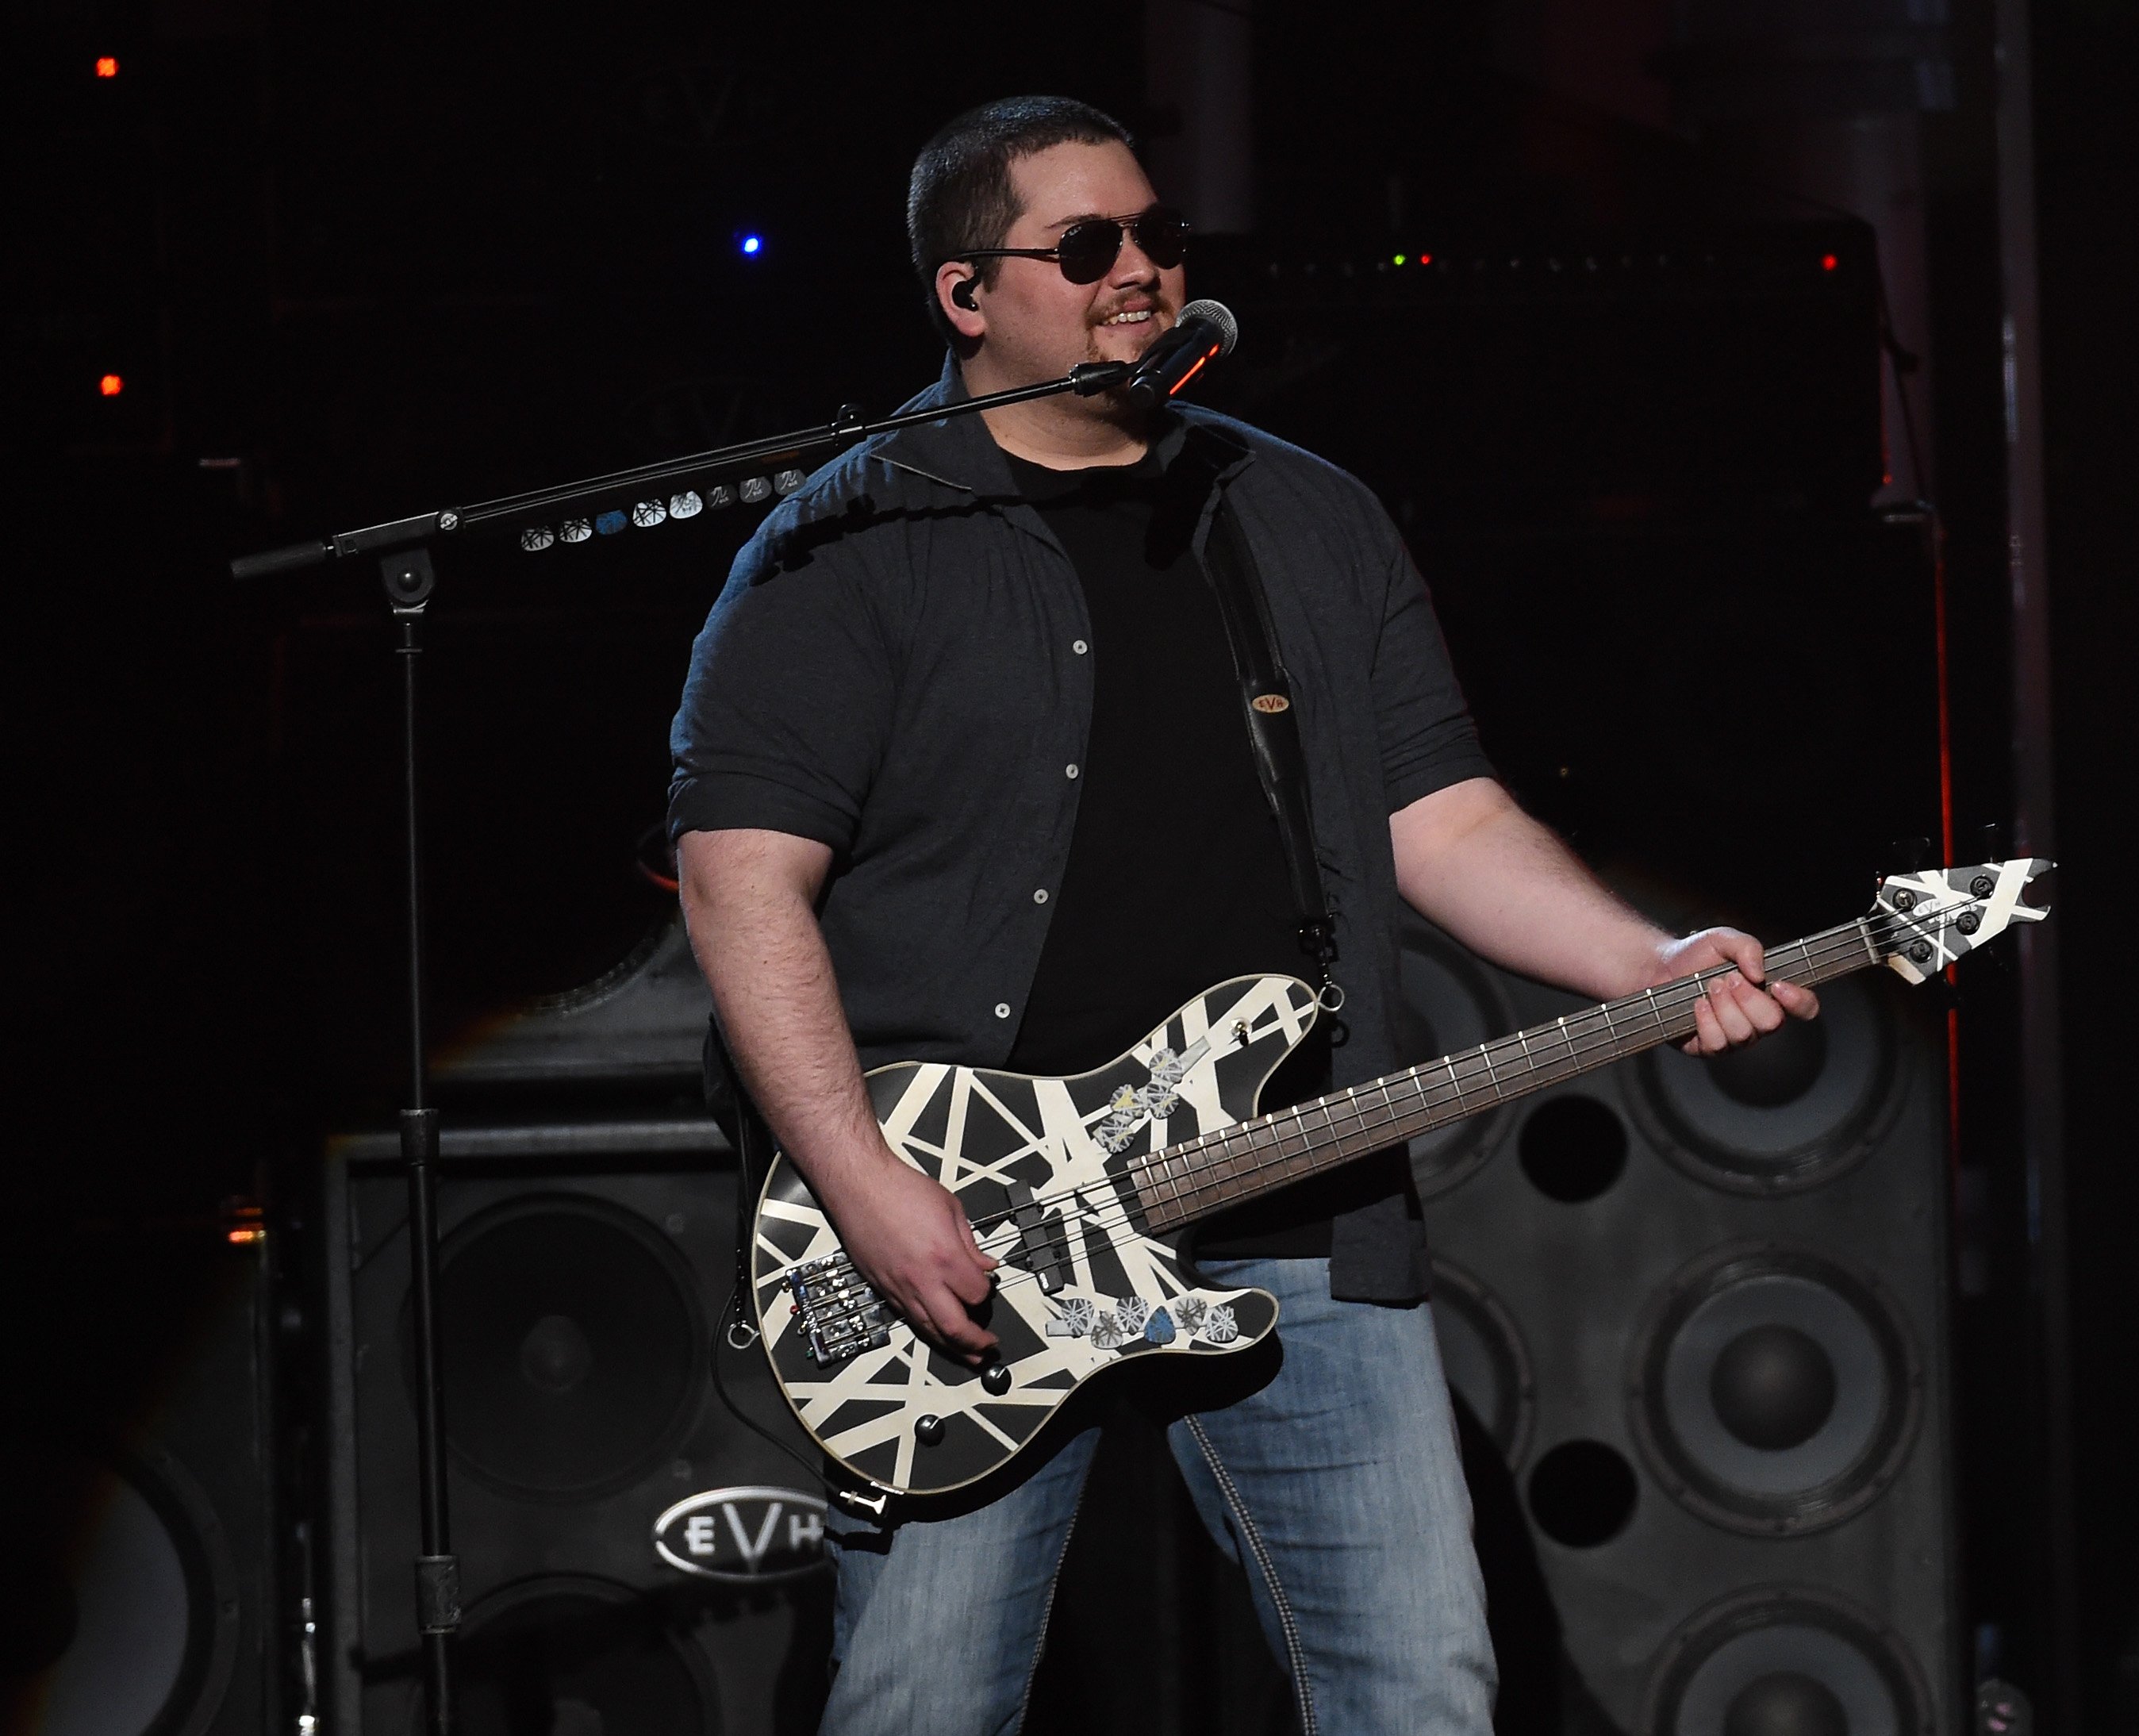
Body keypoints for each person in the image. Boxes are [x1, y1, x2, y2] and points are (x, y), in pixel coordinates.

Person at [669, 94, 1818, 1736]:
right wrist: (862, 1186)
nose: (1139, 272)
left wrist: (1643, 960)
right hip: (977, 1238)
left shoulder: (1305, 515)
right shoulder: (848, 543)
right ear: (963, 294)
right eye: (1086, 246)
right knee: (922, 1703)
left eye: (1157, 236)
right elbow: (738, 877)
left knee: (1422, 1689)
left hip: (1297, 1208)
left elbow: (1446, 810)